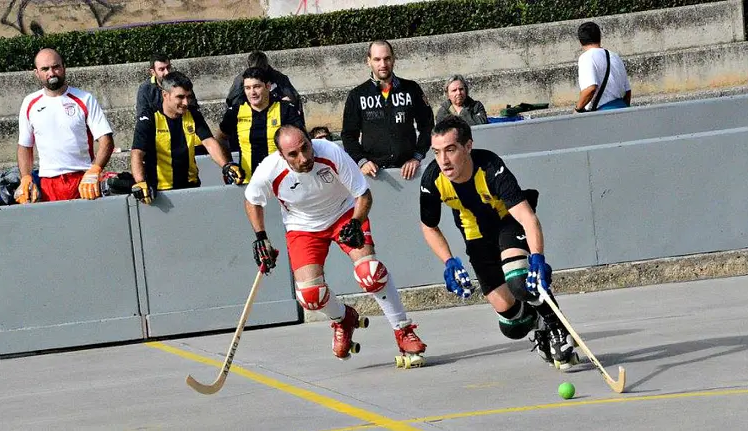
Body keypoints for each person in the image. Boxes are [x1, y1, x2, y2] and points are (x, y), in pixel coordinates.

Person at [244, 125, 427, 366]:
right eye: (294, 154)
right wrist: (261, 237)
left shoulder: (330, 152)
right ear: (281, 155)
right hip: (302, 227)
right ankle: (343, 318)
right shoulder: (269, 169)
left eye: (305, 148)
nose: (304, 158)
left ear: (311, 142)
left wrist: (356, 222)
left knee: (370, 274)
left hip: (344, 214)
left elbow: (363, 195)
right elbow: (252, 200)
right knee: (309, 296)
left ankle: (403, 330)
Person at [418, 115, 579, 370]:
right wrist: (448, 262)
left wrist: (537, 258)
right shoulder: (432, 179)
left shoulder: (490, 167)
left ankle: (558, 327)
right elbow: (429, 227)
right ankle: (539, 325)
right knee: (511, 324)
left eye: (450, 150)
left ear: (467, 146)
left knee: (520, 282)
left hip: (507, 222)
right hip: (475, 235)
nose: (444, 160)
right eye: (437, 152)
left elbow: (527, 217)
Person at [16, 48, 114, 203]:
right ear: (36, 73)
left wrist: (95, 170)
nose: (52, 73)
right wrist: (26, 177)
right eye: (45, 69)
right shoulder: (30, 103)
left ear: (64, 67)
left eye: (56, 67)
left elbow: (106, 140)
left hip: (82, 180)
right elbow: (24, 146)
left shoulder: (84, 99)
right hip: (48, 183)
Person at [130, 71, 243, 204]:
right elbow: (137, 153)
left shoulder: (193, 114)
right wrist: (140, 182)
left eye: (188, 97)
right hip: (160, 192)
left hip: (191, 187)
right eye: (180, 97)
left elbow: (209, 142)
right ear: (165, 95)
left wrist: (226, 166)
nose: (186, 102)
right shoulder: (149, 118)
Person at [341, 40, 434, 180]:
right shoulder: (357, 95)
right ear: (368, 61)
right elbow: (348, 135)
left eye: (387, 59)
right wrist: (362, 161)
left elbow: (427, 126)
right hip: (374, 174)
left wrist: (417, 157)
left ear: (393, 59)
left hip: (409, 172)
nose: (383, 64)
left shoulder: (411, 89)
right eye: (377, 59)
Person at [217, 67, 304, 183]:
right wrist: (229, 164)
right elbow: (220, 138)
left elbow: (303, 140)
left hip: (283, 182)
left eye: (257, 87)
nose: (252, 92)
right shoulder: (235, 112)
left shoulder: (285, 109)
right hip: (248, 183)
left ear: (268, 86)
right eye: (247, 88)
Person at [575, 22, 631, 113]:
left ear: (580, 41)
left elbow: (590, 89)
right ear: (599, 37)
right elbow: (627, 91)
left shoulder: (586, 58)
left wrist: (577, 109)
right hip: (623, 108)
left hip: (603, 114)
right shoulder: (615, 56)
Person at [226, 50, 301, 111]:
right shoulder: (240, 81)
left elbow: (294, 99)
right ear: (249, 66)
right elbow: (233, 103)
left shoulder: (278, 78)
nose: (258, 75)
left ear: (266, 66)